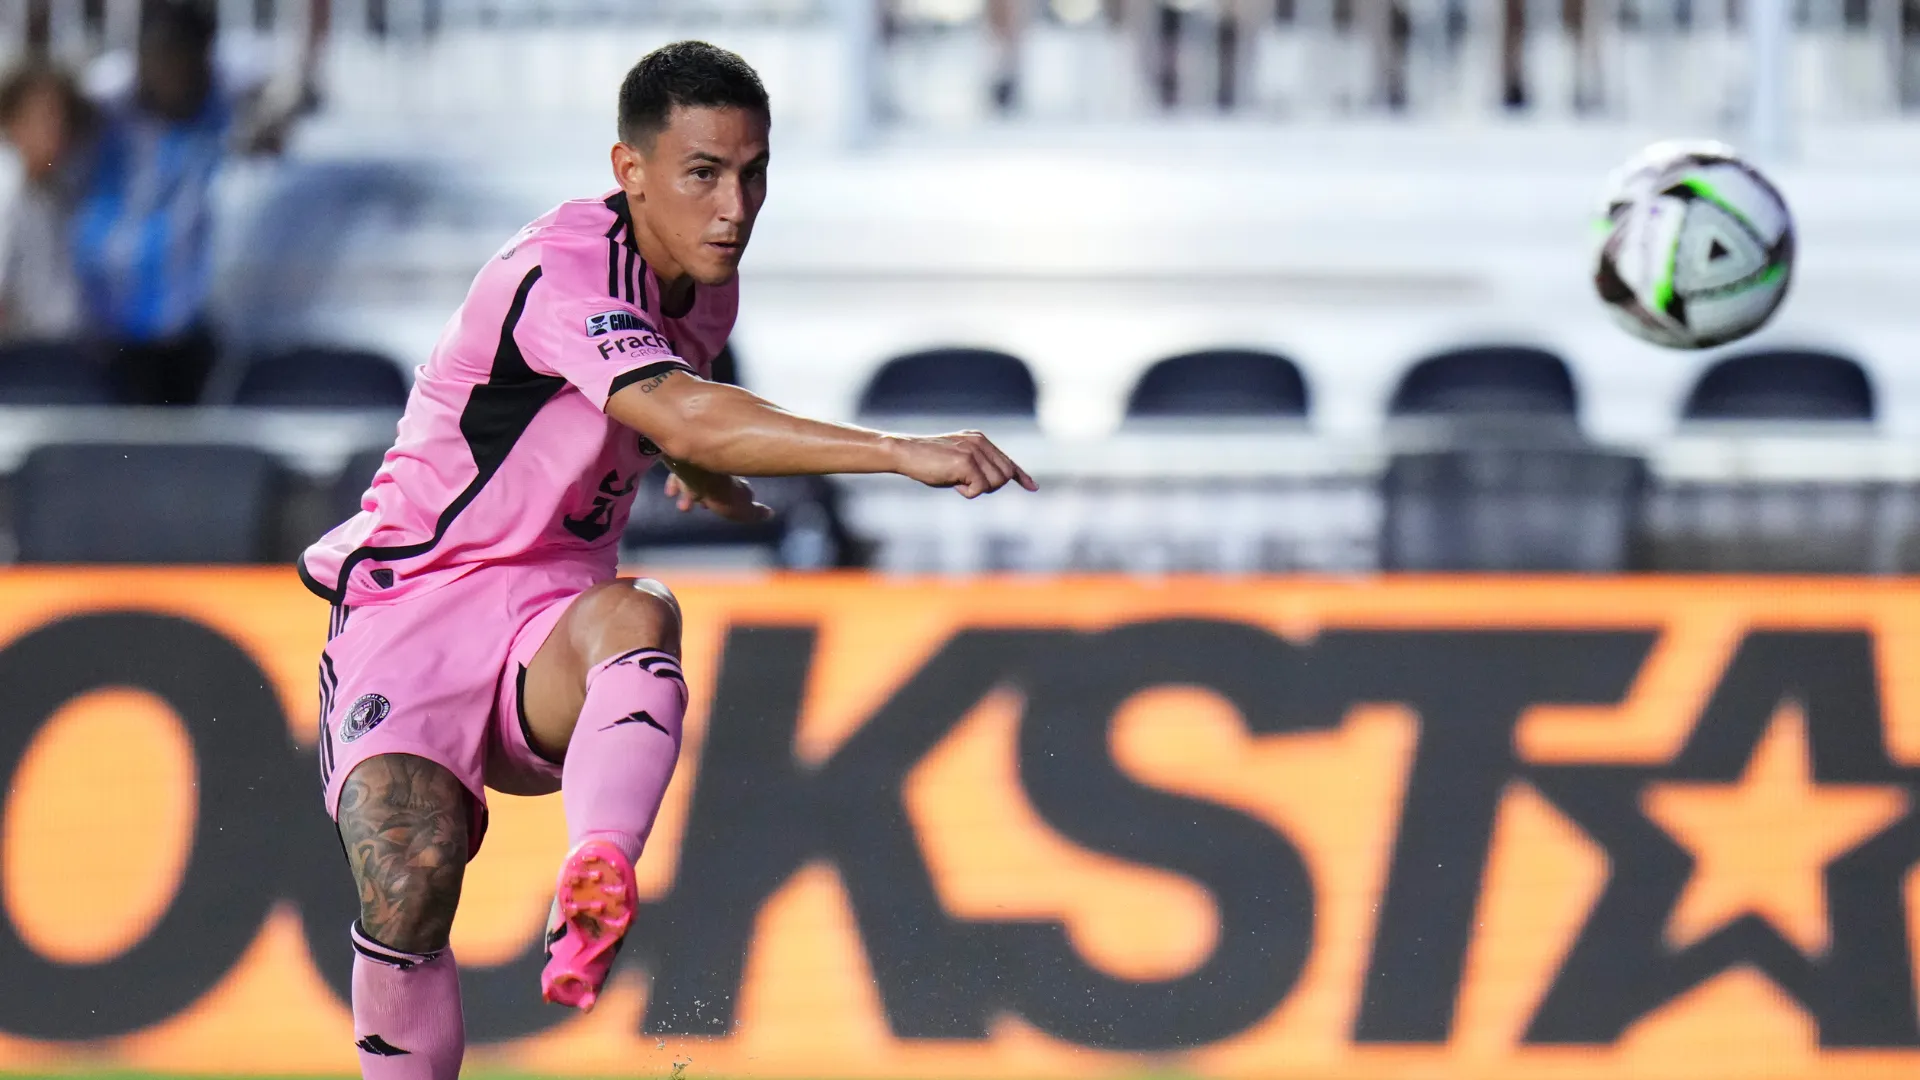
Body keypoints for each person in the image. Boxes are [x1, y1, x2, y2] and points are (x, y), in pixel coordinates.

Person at [300, 40, 1035, 1080]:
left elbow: (670, 412)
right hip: (413, 599)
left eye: (753, 173)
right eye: (703, 173)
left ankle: (596, 873)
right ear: (630, 170)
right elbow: (679, 405)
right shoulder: (561, 269)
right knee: (411, 877)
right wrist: (896, 451)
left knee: (640, 610)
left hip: (547, 618)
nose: (734, 208)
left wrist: (703, 470)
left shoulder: (701, 285)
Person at [70, 0, 314, 404]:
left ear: (203, 58)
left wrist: (269, 118)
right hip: (104, 315)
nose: (169, 76)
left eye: (180, 61)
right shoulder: (105, 97)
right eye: (158, 60)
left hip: (188, 316)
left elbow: (296, 91)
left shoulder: (230, 85)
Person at [0, 62, 89, 343]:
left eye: (64, 118)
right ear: (13, 120)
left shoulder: (61, 187)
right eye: (45, 117)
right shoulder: (6, 191)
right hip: (18, 355)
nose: (57, 128)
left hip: (61, 349)